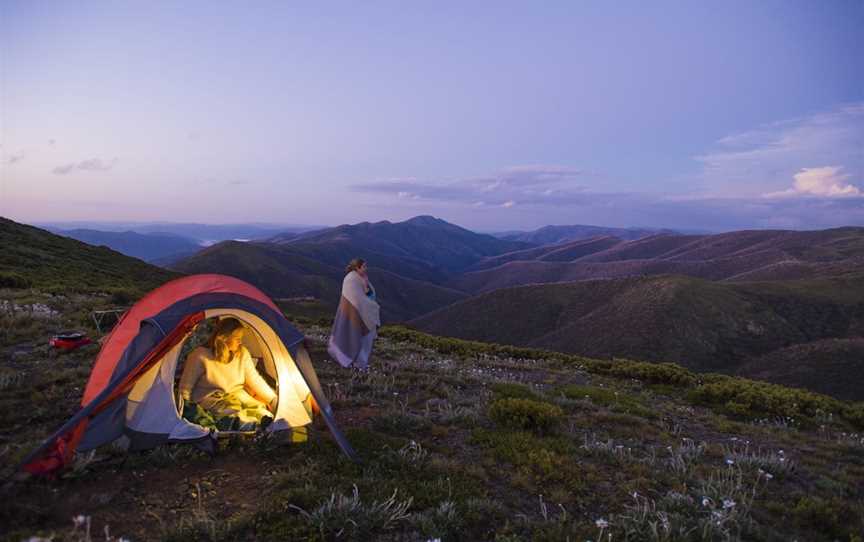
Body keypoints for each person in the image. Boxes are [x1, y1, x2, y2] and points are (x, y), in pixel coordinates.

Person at [178, 317, 277, 430]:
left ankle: (266, 423)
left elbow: (255, 380)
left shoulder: (242, 353)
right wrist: (184, 411)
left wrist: (273, 400)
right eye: (236, 338)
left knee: (260, 410)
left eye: (241, 338)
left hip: (238, 396)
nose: (240, 342)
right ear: (223, 338)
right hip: (213, 400)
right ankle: (245, 426)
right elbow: (185, 388)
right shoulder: (200, 356)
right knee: (233, 414)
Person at [328, 258, 380, 369]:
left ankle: (361, 363)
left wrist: (366, 285)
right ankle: (357, 364)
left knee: (365, 340)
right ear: (357, 267)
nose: (366, 268)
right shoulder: (351, 279)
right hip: (353, 313)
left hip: (362, 312)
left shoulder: (361, 277)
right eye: (364, 266)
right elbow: (356, 299)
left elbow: (367, 294)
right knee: (355, 337)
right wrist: (372, 306)